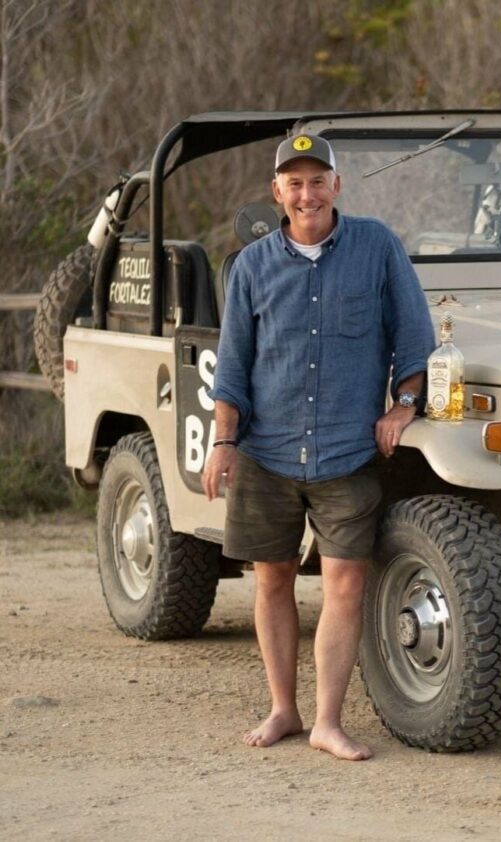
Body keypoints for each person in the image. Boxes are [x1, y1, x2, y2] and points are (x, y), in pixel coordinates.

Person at [201, 132, 435, 761]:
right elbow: (232, 368)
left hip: (346, 450)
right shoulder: (250, 267)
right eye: (293, 182)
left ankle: (329, 722)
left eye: (317, 180)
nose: (306, 193)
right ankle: (284, 709)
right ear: (277, 192)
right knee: (272, 581)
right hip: (265, 452)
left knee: (345, 585)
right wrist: (223, 441)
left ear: (337, 185)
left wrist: (403, 406)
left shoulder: (378, 246)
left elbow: (414, 335)